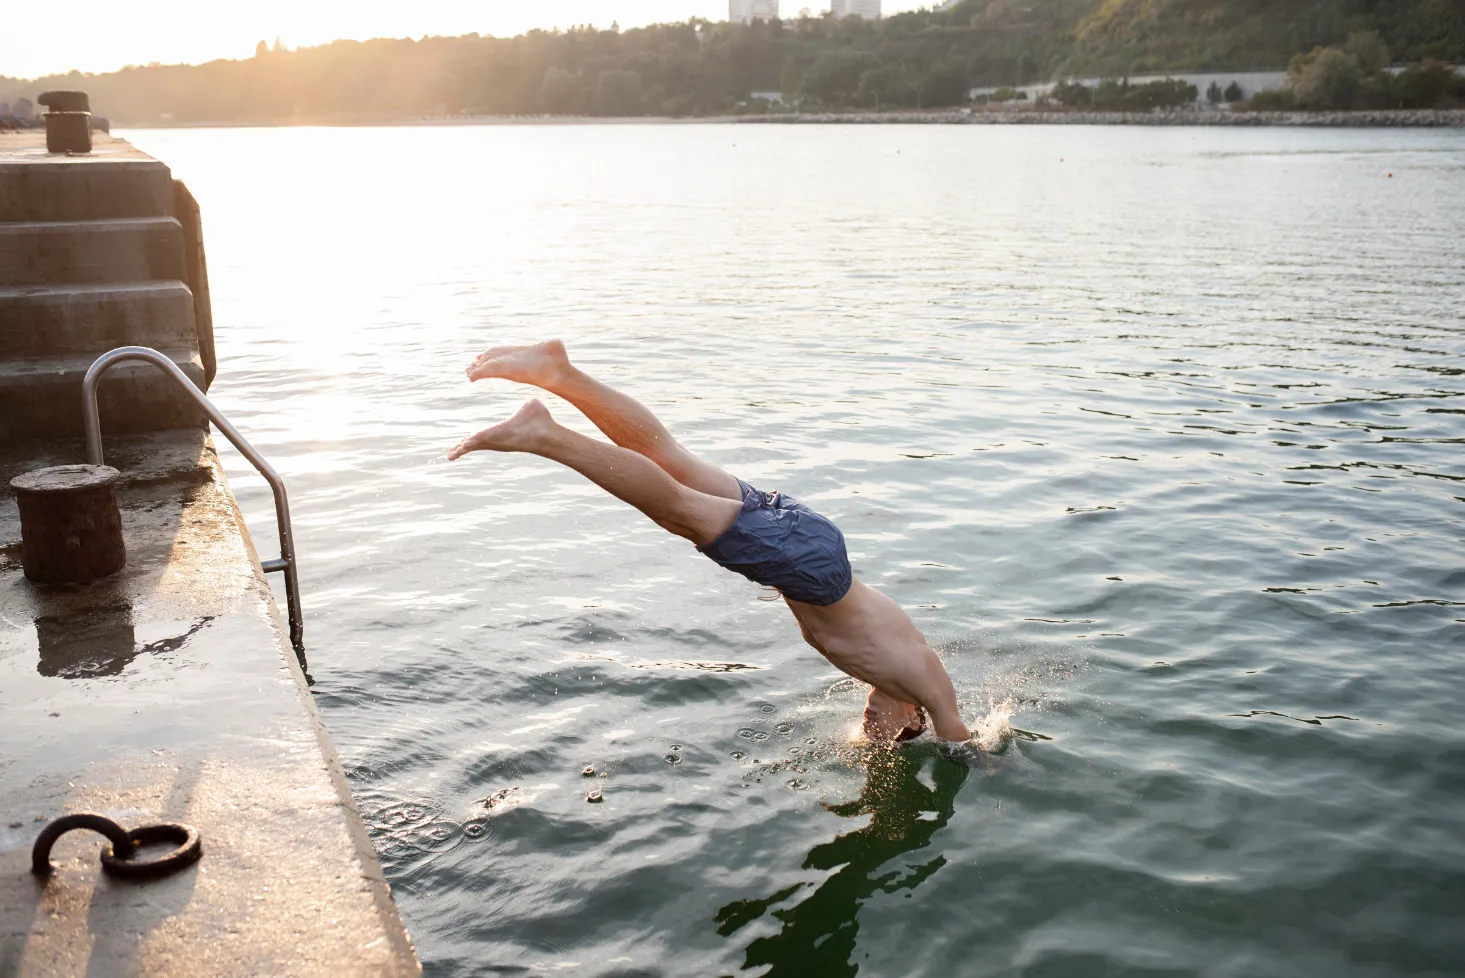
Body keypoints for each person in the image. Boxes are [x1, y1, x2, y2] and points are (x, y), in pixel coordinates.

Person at [448, 340, 973, 745]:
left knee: (671, 458)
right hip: (811, 565)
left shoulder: (888, 683)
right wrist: (981, 759)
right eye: (887, 724)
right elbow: (960, 736)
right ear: (915, 715)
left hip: (810, 547)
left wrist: (876, 743)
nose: (870, 720)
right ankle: (545, 436)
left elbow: (875, 730)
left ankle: (560, 373)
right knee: (676, 508)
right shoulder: (925, 683)